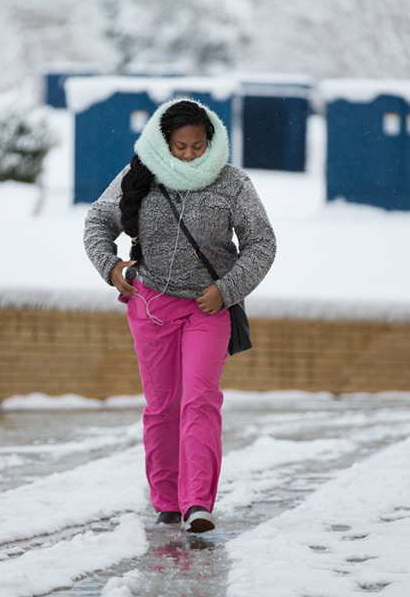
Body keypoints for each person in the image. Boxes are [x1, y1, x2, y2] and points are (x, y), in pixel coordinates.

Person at [83, 98, 276, 533]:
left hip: (208, 308)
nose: (190, 155)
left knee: (200, 400)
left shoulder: (233, 183)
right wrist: (110, 268)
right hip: (150, 305)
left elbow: (262, 243)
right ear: (162, 142)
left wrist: (225, 290)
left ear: (213, 142)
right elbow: (97, 221)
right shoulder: (140, 177)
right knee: (162, 407)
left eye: (198, 146)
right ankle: (167, 502)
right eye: (180, 147)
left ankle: (197, 504)